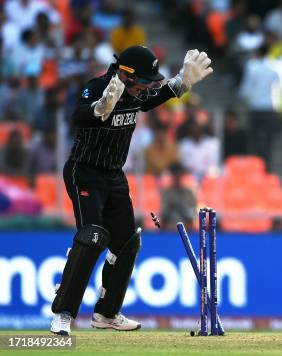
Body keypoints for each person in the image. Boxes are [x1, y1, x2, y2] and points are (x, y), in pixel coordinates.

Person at [50, 45, 213, 336]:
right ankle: (63, 313)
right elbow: (78, 116)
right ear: (126, 75)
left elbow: (157, 96)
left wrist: (182, 82)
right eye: (145, 81)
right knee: (93, 236)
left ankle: (107, 313)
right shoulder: (99, 87)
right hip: (84, 172)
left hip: (114, 175)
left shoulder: (136, 95)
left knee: (127, 242)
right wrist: (99, 109)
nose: (148, 87)